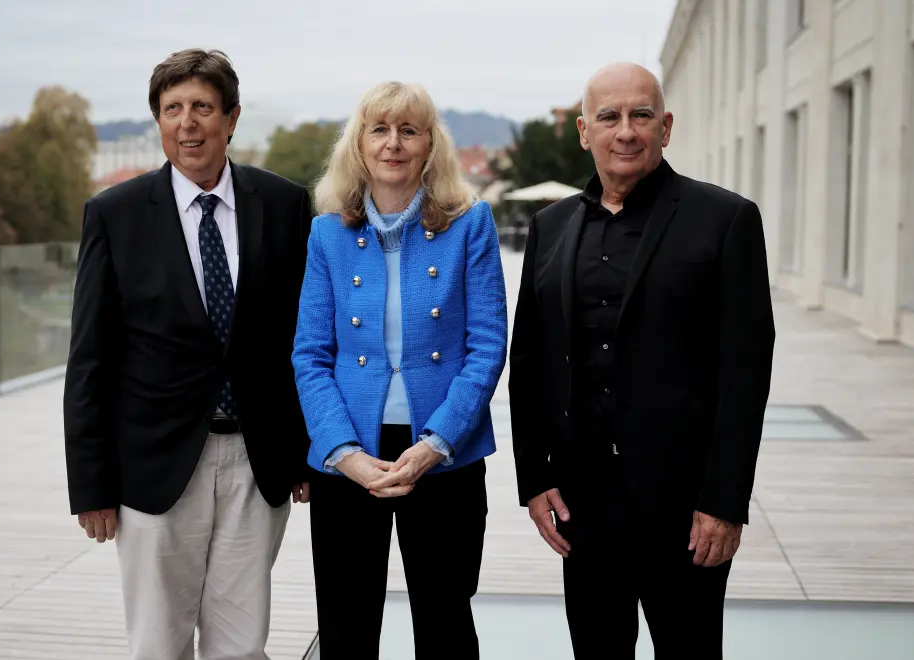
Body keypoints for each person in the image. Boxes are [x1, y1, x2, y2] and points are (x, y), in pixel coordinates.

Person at [509, 62, 776, 659]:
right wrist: (535, 477)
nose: (625, 131)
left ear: (666, 126)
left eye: (641, 115)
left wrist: (725, 501)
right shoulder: (549, 227)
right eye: (609, 116)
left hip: (687, 512)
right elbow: (528, 360)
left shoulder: (726, 220)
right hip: (584, 505)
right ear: (584, 132)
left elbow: (746, 372)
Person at [63, 48, 312, 659]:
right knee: (157, 644)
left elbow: (304, 339)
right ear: (158, 122)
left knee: (242, 645)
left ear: (230, 119)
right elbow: (89, 357)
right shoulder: (115, 214)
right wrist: (90, 483)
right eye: (172, 109)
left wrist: (308, 450)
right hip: (153, 463)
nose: (188, 123)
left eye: (202, 107)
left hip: (259, 463)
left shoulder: (284, 205)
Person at [291, 81, 508, 659]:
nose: (393, 143)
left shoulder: (470, 225)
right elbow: (310, 356)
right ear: (358, 145)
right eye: (379, 129)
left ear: (430, 143)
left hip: (444, 453)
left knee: (445, 624)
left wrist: (436, 443)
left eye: (408, 130)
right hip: (350, 458)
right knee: (345, 628)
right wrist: (344, 453)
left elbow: (487, 347)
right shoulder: (326, 234)